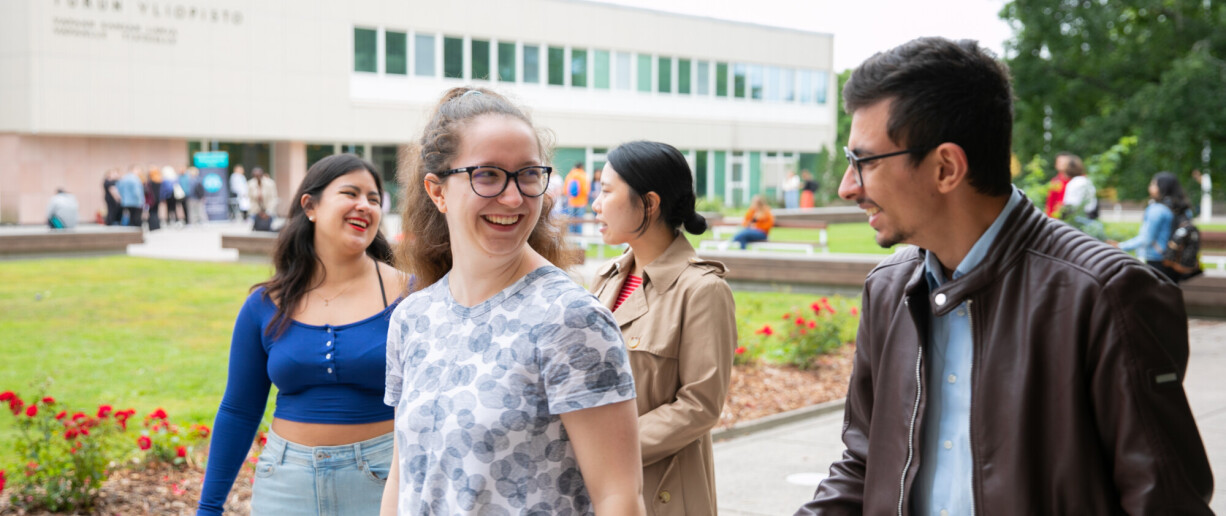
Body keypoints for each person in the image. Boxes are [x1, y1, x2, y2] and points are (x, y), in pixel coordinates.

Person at [795, 37, 1212, 515]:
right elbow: (864, 464)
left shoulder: (1106, 296)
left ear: (946, 167)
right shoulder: (888, 289)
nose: (848, 187)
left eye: (862, 162)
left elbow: (1166, 503)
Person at [382, 87, 645, 515]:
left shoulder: (570, 319)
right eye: (487, 174)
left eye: (527, 174)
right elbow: (404, 475)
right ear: (438, 191)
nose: (513, 197)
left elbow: (620, 497)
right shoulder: (414, 317)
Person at [197, 154, 408, 516]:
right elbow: (239, 409)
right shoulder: (264, 304)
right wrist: (208, 507)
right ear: (309, 206)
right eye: (351, 193)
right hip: (284, 483)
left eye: (374, 199)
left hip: (384, 481)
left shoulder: (408, 296)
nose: (365, 206)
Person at [589, 140, 735, 515]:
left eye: (606, 192)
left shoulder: (702, 289)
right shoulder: (605, 279)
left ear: (649, 203)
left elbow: (699, 405)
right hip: (599, 488)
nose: (595, 204)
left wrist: (605, 450)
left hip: (662, 492)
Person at [1115, 172, 1192, 282]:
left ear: (1162, 187)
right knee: (1170, 293)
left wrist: (1121, 246)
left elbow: (1146, 238)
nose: (1150, 187)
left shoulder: (1156, 209)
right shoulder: (1184, 209)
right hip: (1175, 259)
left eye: (1153, 184)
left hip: (1156, 259)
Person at [1043, 151, 1074, 216]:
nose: (1061, 164)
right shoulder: (1055, 181)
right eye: (1059, 162)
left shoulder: (1077, 180)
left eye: (1064, 162)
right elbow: (1050, 203)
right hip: (1057, 217)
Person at [248, 166, 279, 231]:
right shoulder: (251, 184)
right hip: (256, 211)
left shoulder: (270, 183)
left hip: (268, 210)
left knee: (267, 229)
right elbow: (251, 199)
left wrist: (268, 212)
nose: (257, 177)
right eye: (255, 176)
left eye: (259, 175)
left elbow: (273, 198)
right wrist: (258, 212)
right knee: (257, 229)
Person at [565, 161, 590, 233]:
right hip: (581, 202)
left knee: (571, 221)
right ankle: (579, 242)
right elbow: (586, 190)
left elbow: (565, 190)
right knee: (579, 221)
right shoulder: (584, 175)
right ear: (582, 167)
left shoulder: (570, 175)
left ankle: (571, 239)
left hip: (571, 201)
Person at [144, 165, 162, 231]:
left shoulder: (150, 182)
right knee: (156, 212)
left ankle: (153, 226)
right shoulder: (159, 180)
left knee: (151, 213)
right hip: (157, 199)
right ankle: (157, 226)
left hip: (151, 199)